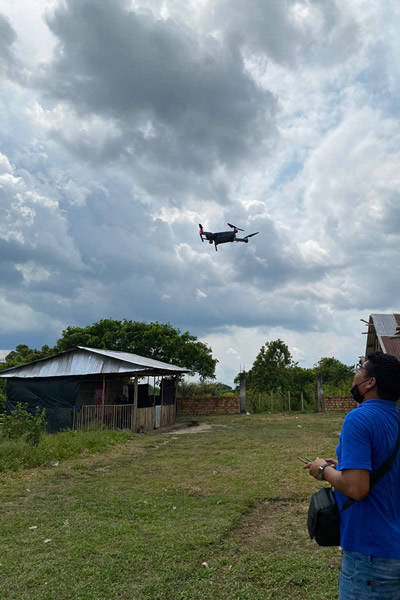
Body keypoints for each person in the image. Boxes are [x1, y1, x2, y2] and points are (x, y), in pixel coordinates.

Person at [305, 352, 400, 599]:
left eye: (360, 368)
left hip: (370, 555)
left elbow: (357, 489)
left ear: (370, 382)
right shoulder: (396, 418)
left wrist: (323, 470)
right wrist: (345, 465)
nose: (354, 374)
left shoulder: (358, 418)